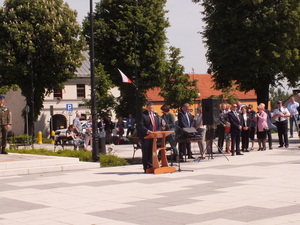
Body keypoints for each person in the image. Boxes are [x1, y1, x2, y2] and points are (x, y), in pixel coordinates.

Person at [137, 102, 161, 172]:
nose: (151, 109)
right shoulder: (143, 115)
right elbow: (140, 125)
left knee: (152, 151)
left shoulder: (156, 115)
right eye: (150, 108)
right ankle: (146, 167)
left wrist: (158, 132)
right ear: (146, 107)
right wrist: (148, 131)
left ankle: (151, 165)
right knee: (146, 152)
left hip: (154, 136)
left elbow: (158, 124)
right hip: (146, 136)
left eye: (152, 108)